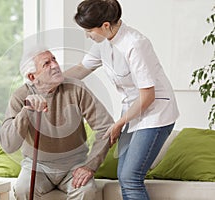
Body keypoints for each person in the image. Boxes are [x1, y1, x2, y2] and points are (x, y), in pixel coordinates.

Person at [63, 0, 179, 199]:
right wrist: (52, 82)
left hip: (156, 112)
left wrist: (119, 124)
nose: (87, 35)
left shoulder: (135, 44)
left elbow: (148, 96)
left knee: (130, 177)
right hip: (132, 110)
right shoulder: (104, 42)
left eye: (89, 30)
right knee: (124, 176)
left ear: (106, 25)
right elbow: (82, 68)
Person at [0, 46, 115, 200]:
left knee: (85, 191)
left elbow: (106, 127)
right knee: (23, 189)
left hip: (74, 164)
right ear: (32, 77)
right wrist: (26, 111)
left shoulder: (76, 88)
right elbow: (8, 144)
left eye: (54, 59)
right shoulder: (20, 96)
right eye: (46, 64)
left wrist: (90, 166)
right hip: (37, 166)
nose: (55, 65)